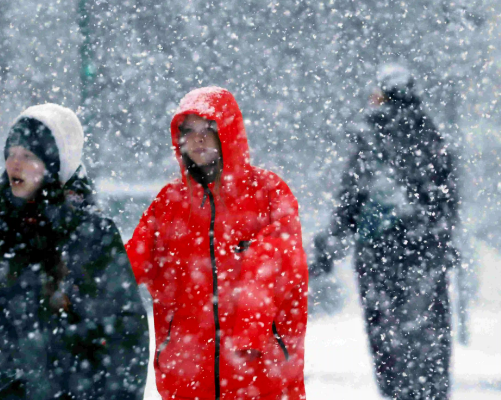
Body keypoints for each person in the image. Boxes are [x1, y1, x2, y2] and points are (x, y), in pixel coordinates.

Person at [0, 104, 148, 400]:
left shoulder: (92, 233)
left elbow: (126, 337)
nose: (15, 163)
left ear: (53, 163)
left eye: (28, 155)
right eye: (11, 153)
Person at [126, 87, 309, 400]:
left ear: (228, 131)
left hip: (260, 374)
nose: (198, 139)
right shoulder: (169, 204)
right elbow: (127, 268)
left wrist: (249, 334)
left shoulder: (267, 191)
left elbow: (285, 264)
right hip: (186, 374)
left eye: (208, 130)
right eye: (189, 131)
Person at [311, 65, 459, 400]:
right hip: (425, 255)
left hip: (378, 257)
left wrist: (324, 253)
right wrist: (440, 244)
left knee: (388, 340)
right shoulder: (432, 138)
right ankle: (430, 392)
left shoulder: (374, 139)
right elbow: (448, 203)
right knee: (429, 340)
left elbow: (350, 201)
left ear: (383, 95)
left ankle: (398, 391)